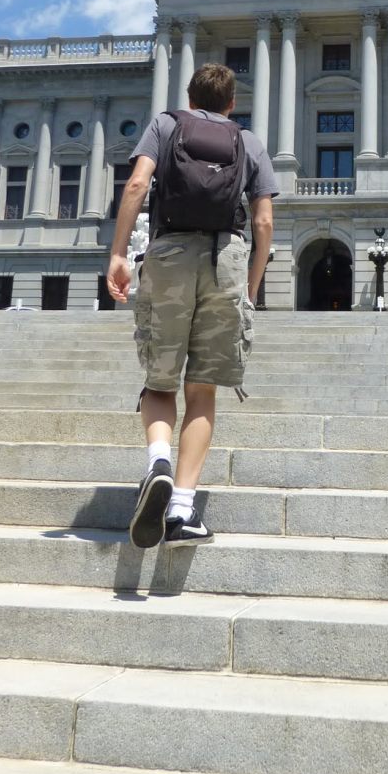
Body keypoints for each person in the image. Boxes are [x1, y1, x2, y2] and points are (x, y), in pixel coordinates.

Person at [106, 62, 276, 549]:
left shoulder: (166, 124)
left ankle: (158, 460)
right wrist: (251, 286)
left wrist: (119, 254)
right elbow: (264, 221)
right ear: (232, 104)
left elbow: (137, 185)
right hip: (226, 259)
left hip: (169, 253)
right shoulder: (249, 142)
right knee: (202, 390)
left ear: (189, 97)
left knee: (160, 380)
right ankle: (182, 509)